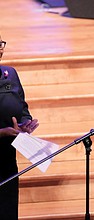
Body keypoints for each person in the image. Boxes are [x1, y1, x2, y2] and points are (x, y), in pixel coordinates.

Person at [0, 37, 39, 219]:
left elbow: (22, 107)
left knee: (7, 209)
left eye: (0, 44)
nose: (0, 49)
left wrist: (25, 123)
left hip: (6, 157)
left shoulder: (10, 73)